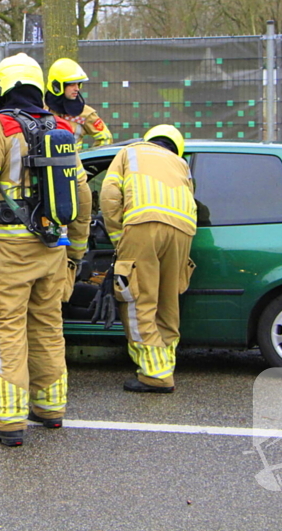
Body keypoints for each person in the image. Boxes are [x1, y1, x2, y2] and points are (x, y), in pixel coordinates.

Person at [0, 53, 91, 447]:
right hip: (52, 247)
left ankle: (10, 421)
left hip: (8, 251)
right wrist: (75, 249)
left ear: (1, 87)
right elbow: (81, 192)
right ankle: (50, 408)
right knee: (47, 325)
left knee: (7, 327)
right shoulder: (60, 127)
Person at [99, 124, 197, 393]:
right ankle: (165, 365)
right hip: (184, 231)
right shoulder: (181, 164)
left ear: (150, 139)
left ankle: (155, 375)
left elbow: (109, 196)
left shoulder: (130, 152)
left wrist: (119, 238)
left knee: (137, 299)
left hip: (142, 224)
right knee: (168, 302)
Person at [44, 58, 112, 150]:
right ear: (57, 86)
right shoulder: (42, 109)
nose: (77, 88)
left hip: (75, 163)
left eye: (78, 84)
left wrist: (87, 159)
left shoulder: (86, 113)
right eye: (71, 84)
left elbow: (106, 139)